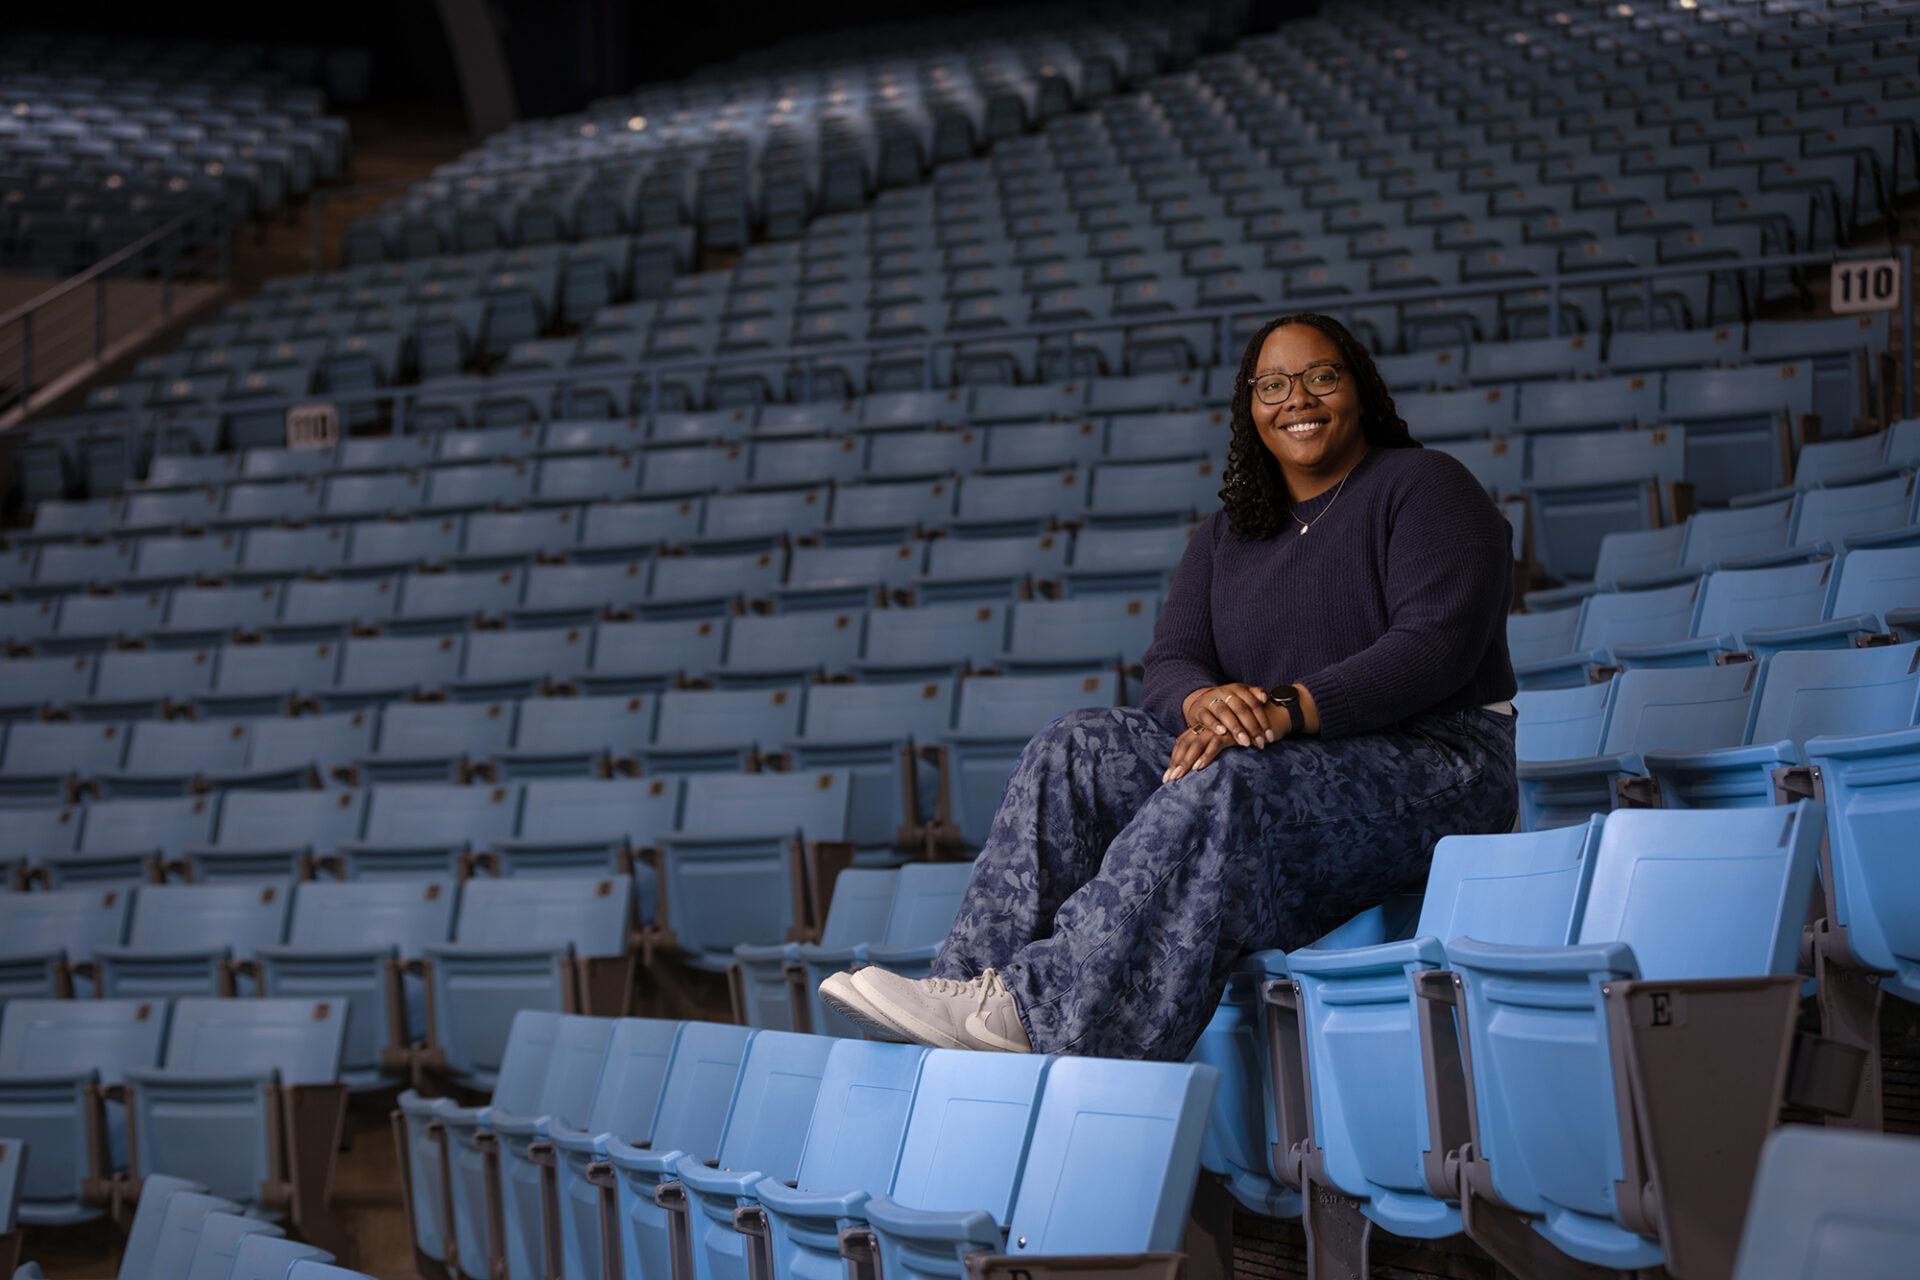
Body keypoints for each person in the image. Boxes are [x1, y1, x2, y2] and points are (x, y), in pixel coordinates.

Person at [821, 312, 1519, 1061]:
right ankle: (967, 991)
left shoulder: (1424, 486)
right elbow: (1173, 659)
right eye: (1273, 385)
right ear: (1250, 407)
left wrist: (1283, 709)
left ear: (1359, 389)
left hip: (1435, 766)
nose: (1298, 400)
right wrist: (1205, 703)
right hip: (1283, 763)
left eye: (1322, 377)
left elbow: (1433, 648)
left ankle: (1041, 1015)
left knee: (1230, 781)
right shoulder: (1229, 534)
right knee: (1074, 748)